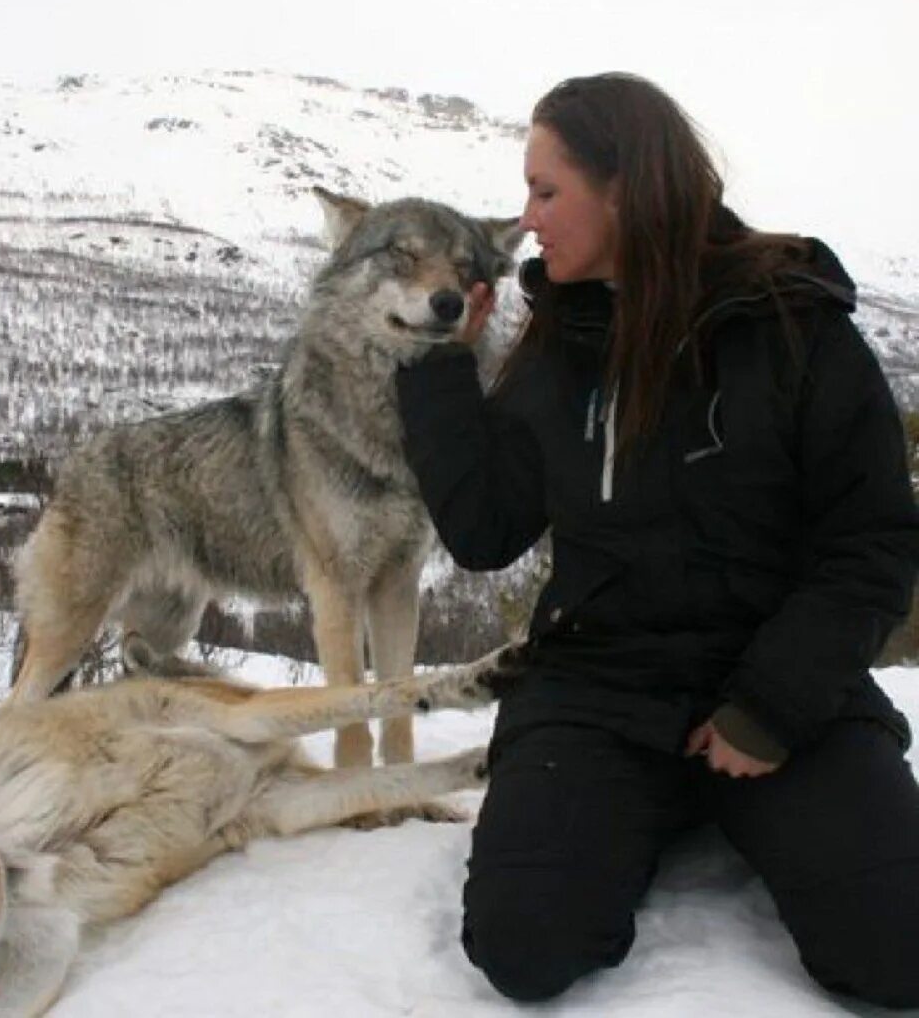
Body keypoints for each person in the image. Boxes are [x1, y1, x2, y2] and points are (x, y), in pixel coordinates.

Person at [394, 72, 919, 1008]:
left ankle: (747, 791)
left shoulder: (793, 325)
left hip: (774, 684)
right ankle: (659, 802)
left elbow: (870, 541)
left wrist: (774, 706)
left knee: (900, 952)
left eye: (546, 192)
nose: (528, 220)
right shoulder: (560, 343)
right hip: (600, 684)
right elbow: (483, 532)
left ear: (625, 189)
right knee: (524, 945)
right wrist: (442, 372)